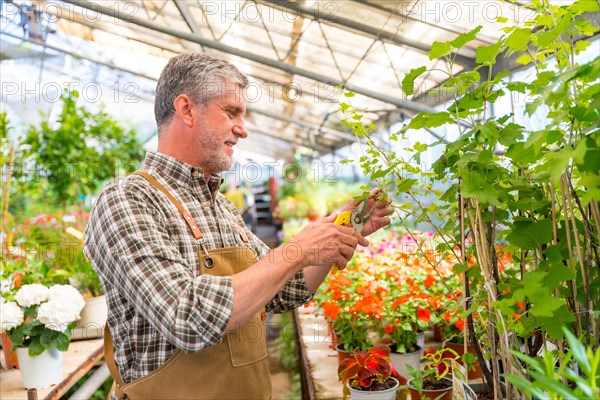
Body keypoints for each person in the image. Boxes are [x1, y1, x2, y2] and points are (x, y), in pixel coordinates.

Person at [83, 53, 393, 400]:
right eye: (231, 112)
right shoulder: (127, 200)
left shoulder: (221, 206)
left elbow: (284, 290)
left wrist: (339, 231)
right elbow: (186, 317)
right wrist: (298, 249)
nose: (243, 129)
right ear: (186, 109)